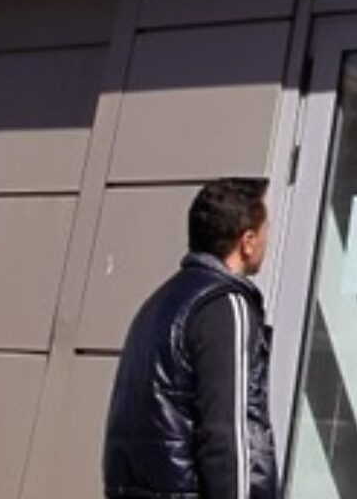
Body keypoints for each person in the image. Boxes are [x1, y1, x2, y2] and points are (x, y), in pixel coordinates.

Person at [104, 177, 278, 499]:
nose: (269, 239)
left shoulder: (159, 305)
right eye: (266, 228)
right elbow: (232, 435)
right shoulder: (226, 306)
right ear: (248, 241)